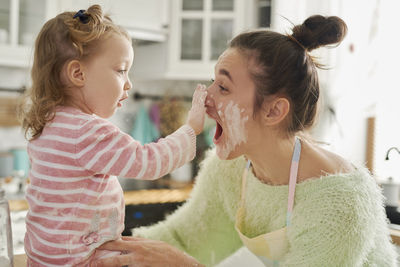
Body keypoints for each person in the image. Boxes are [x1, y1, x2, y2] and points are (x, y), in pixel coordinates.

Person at [93, 14, 398, 267]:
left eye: (223, 87)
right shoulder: (232, 169)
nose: (206, 97)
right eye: (213, 81)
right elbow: (186, 239)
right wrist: (102, 254)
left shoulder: (341, 203)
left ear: (274, 110)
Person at [19, 5, 207, 266]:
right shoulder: (87, 131)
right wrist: (191, 129)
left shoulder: (48, 123)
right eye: (120, 70)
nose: (129, 83)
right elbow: (149, 161)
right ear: (78, 73)